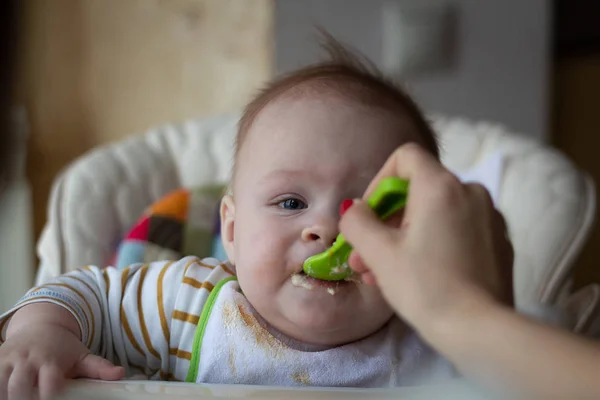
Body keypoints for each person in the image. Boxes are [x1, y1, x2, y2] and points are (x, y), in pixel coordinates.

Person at [0, 38, 461, 400]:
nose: (330, 229)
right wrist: (43, 331)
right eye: (290, 203)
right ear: (233, 230)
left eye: (366, 210)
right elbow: (87, 293)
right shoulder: (190, 304)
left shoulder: (432, 334)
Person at [340, 143, 600, 399]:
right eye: (296, 203)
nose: (325, 227)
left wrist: (470, 314)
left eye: (377, 208)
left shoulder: (487, 354)